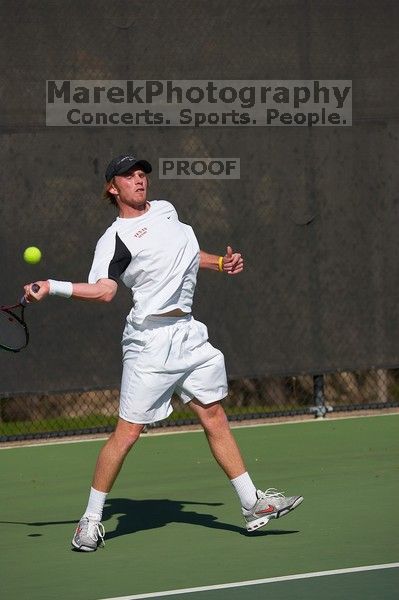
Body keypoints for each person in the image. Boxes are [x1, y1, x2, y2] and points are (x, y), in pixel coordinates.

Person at [24, 153, 303, 552]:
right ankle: (89, 521)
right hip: (149, 342)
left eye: (142, 174)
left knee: (214, 415)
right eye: (129, 176)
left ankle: (252, 503)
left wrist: (220, 262)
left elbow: (185, 256)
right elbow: (105, 291)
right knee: (127, 434)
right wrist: (52, 285)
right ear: (112, 187)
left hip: (188, 333)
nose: (140, 180)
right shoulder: (114, 238)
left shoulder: (168, 211)